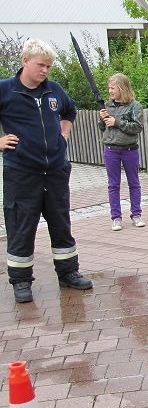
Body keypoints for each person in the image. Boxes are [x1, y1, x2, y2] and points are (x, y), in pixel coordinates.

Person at [0, 38, 93, 304]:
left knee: (61, 222)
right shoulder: (6, 90)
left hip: (55, 171)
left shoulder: (53, 90)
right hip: (21, 172)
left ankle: (68, 273)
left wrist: (64, 135)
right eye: (41, 65)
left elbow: (70, 110)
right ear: (25, 61)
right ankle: (20, 281)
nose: (45, 71)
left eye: (49, 66)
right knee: (21, 225)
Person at [99, 73, 145, 231]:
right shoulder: (107, 105)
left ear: (122, 88)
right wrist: (102, 119)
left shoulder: (134, 106)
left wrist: (116, 122)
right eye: (109, 88)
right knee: (113, 185)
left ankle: (136, 214)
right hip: (111, 150)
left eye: (113, 88)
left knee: (134, 183)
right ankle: (116, 217)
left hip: (130, 149)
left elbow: (137, 127)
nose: (110, 91)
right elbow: (102, 128)